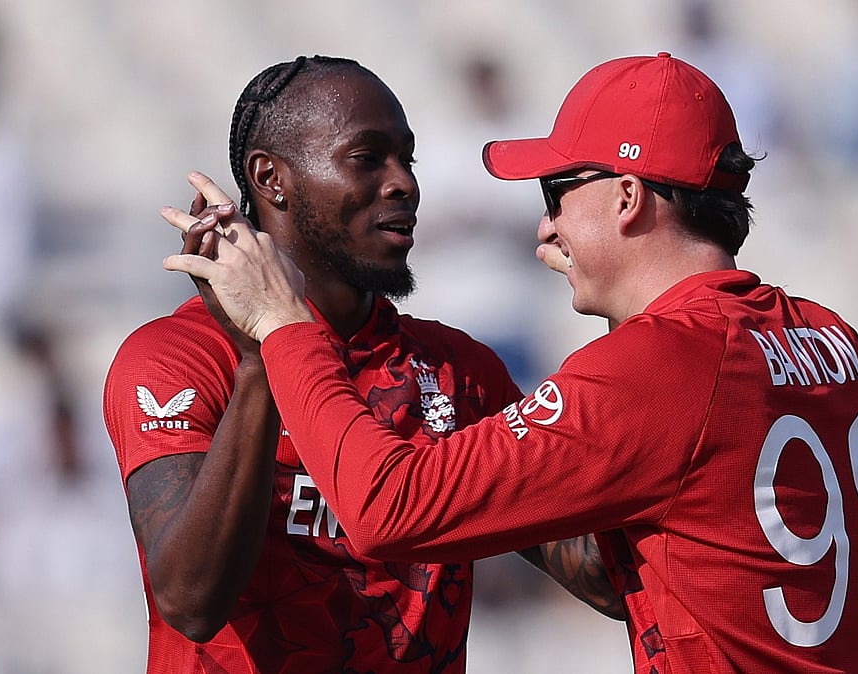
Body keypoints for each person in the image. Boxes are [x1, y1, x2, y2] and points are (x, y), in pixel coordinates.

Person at [165, 53, 858, 673]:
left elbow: (386, 511)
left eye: (557, 191)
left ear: (626, 197)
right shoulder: (827, 334)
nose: (546, 223)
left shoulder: (659, 367)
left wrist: (281, 324)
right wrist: (626, 294)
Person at [104, 56, 618, 673]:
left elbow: (600, 577)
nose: (404, 183)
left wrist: (635, 309)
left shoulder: (462, 370)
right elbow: (191, 600)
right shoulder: (176, 358)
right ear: (272, 179)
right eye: (367, 158)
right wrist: (264, 353)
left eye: (408, 159)